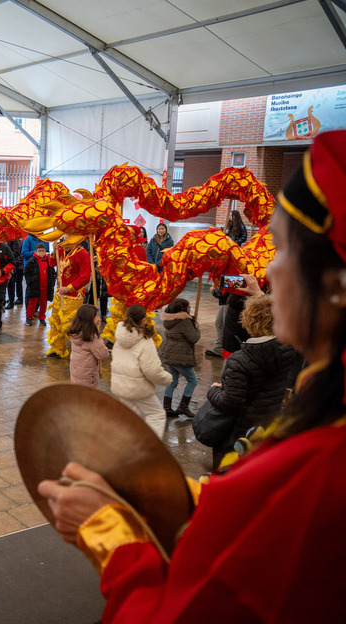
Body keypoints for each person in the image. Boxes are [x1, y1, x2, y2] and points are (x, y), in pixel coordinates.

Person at [35, 129, 346, 623]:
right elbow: (251, 507)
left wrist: (107, 532)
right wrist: (157, 490)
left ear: (335, 285)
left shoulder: (323, 470)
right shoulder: (320, 406)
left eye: (279, 251)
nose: (262, 272)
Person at [205, 295, 296, 468]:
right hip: (266, 425)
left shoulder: (241, 359)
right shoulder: (288, 350)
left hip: (238, 432)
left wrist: (213, 390)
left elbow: (229, 403)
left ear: (248, 320)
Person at [110, 304, 172, 438]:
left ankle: (128, 447)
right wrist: (167, 378)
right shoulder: (145, 341)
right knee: (157, 415)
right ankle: (150, 448)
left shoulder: (119, 337)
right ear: (143, 320)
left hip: (121, 386)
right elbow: (153, 371)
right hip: (139, 388)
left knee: (130, 418)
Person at [158, 297, 201, 418]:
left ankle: (166, 407)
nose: (190, 309)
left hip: (169, 354)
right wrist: (196, 328)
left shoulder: (170, 320)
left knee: (172, 381)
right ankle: (183, 406)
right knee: (193, 380)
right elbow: (194, 338)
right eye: (188, 307)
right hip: (179, 356)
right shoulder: (184, 322)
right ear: (183, 309)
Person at [46, 243, 91, 357]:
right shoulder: (60, 250)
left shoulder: (82, 253)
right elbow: (51, 263)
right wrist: (53, 252)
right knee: (56, 321)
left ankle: (80, 351)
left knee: (71, 325)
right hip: (59, 293)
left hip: (74, 295)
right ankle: (57, 349)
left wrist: (69, 288)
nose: (65, 245)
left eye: (68, 242)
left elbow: (85, 277)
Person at [67, 304, 109, 387]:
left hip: (76, 372)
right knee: (87, 396)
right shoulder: (92, 337)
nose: (99, 318)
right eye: (97, 316)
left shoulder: (76, 332)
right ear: (90, 320)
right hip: (88, 376)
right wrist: (98, 335)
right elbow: (103, 354)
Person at [24, 243, 55, 326]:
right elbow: (26, 272)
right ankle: (29, 317)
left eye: (43, 251)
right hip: (35, 287)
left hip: (45, 287)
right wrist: (30, 282)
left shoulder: (49, 261)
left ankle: (42, 318)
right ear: (36, 251)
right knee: (32, 304)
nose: (41, 252)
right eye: (39, 251)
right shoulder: (32, 261)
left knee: (43, 304)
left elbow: (52, 273)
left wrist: (52, 282)